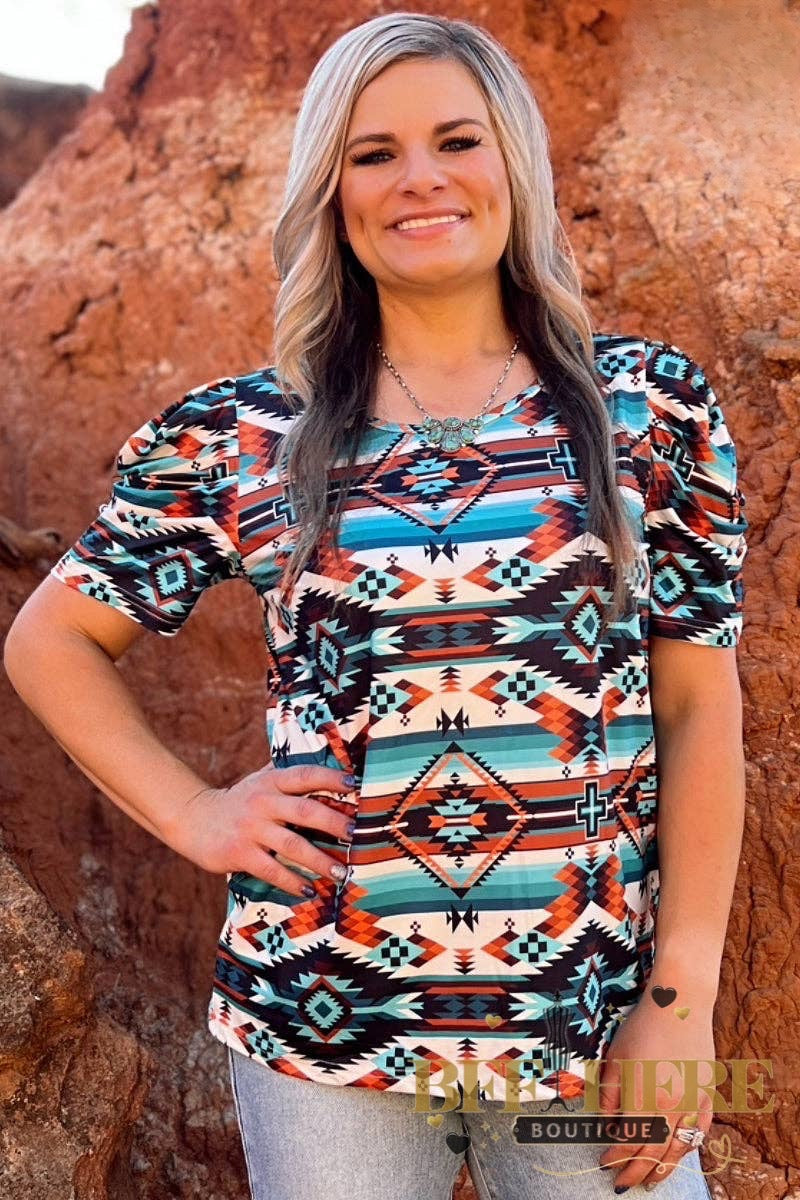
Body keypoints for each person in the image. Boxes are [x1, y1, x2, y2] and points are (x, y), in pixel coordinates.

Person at [4, 12, 750, 1200]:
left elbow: (699, 708)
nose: (419, 179)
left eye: (456, 140)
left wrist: (680, 997)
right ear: (331, 191)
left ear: (512, 162)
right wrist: (198, 815)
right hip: (322, 1032)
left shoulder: (646, 411)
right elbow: (52, 640)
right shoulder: (245, 435)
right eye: (372, 153)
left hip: (589, 1023)